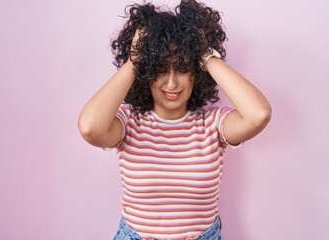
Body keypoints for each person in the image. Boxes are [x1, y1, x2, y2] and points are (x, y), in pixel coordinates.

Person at [78, 0, 271, 239]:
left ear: (196, 72)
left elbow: (258, 114)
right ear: (146, 72)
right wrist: (135, 60)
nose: (171, 83)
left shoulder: (213, 124)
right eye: (159, 69)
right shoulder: (128, 122)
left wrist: (206, 54)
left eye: (182, 67)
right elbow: (89, 128)